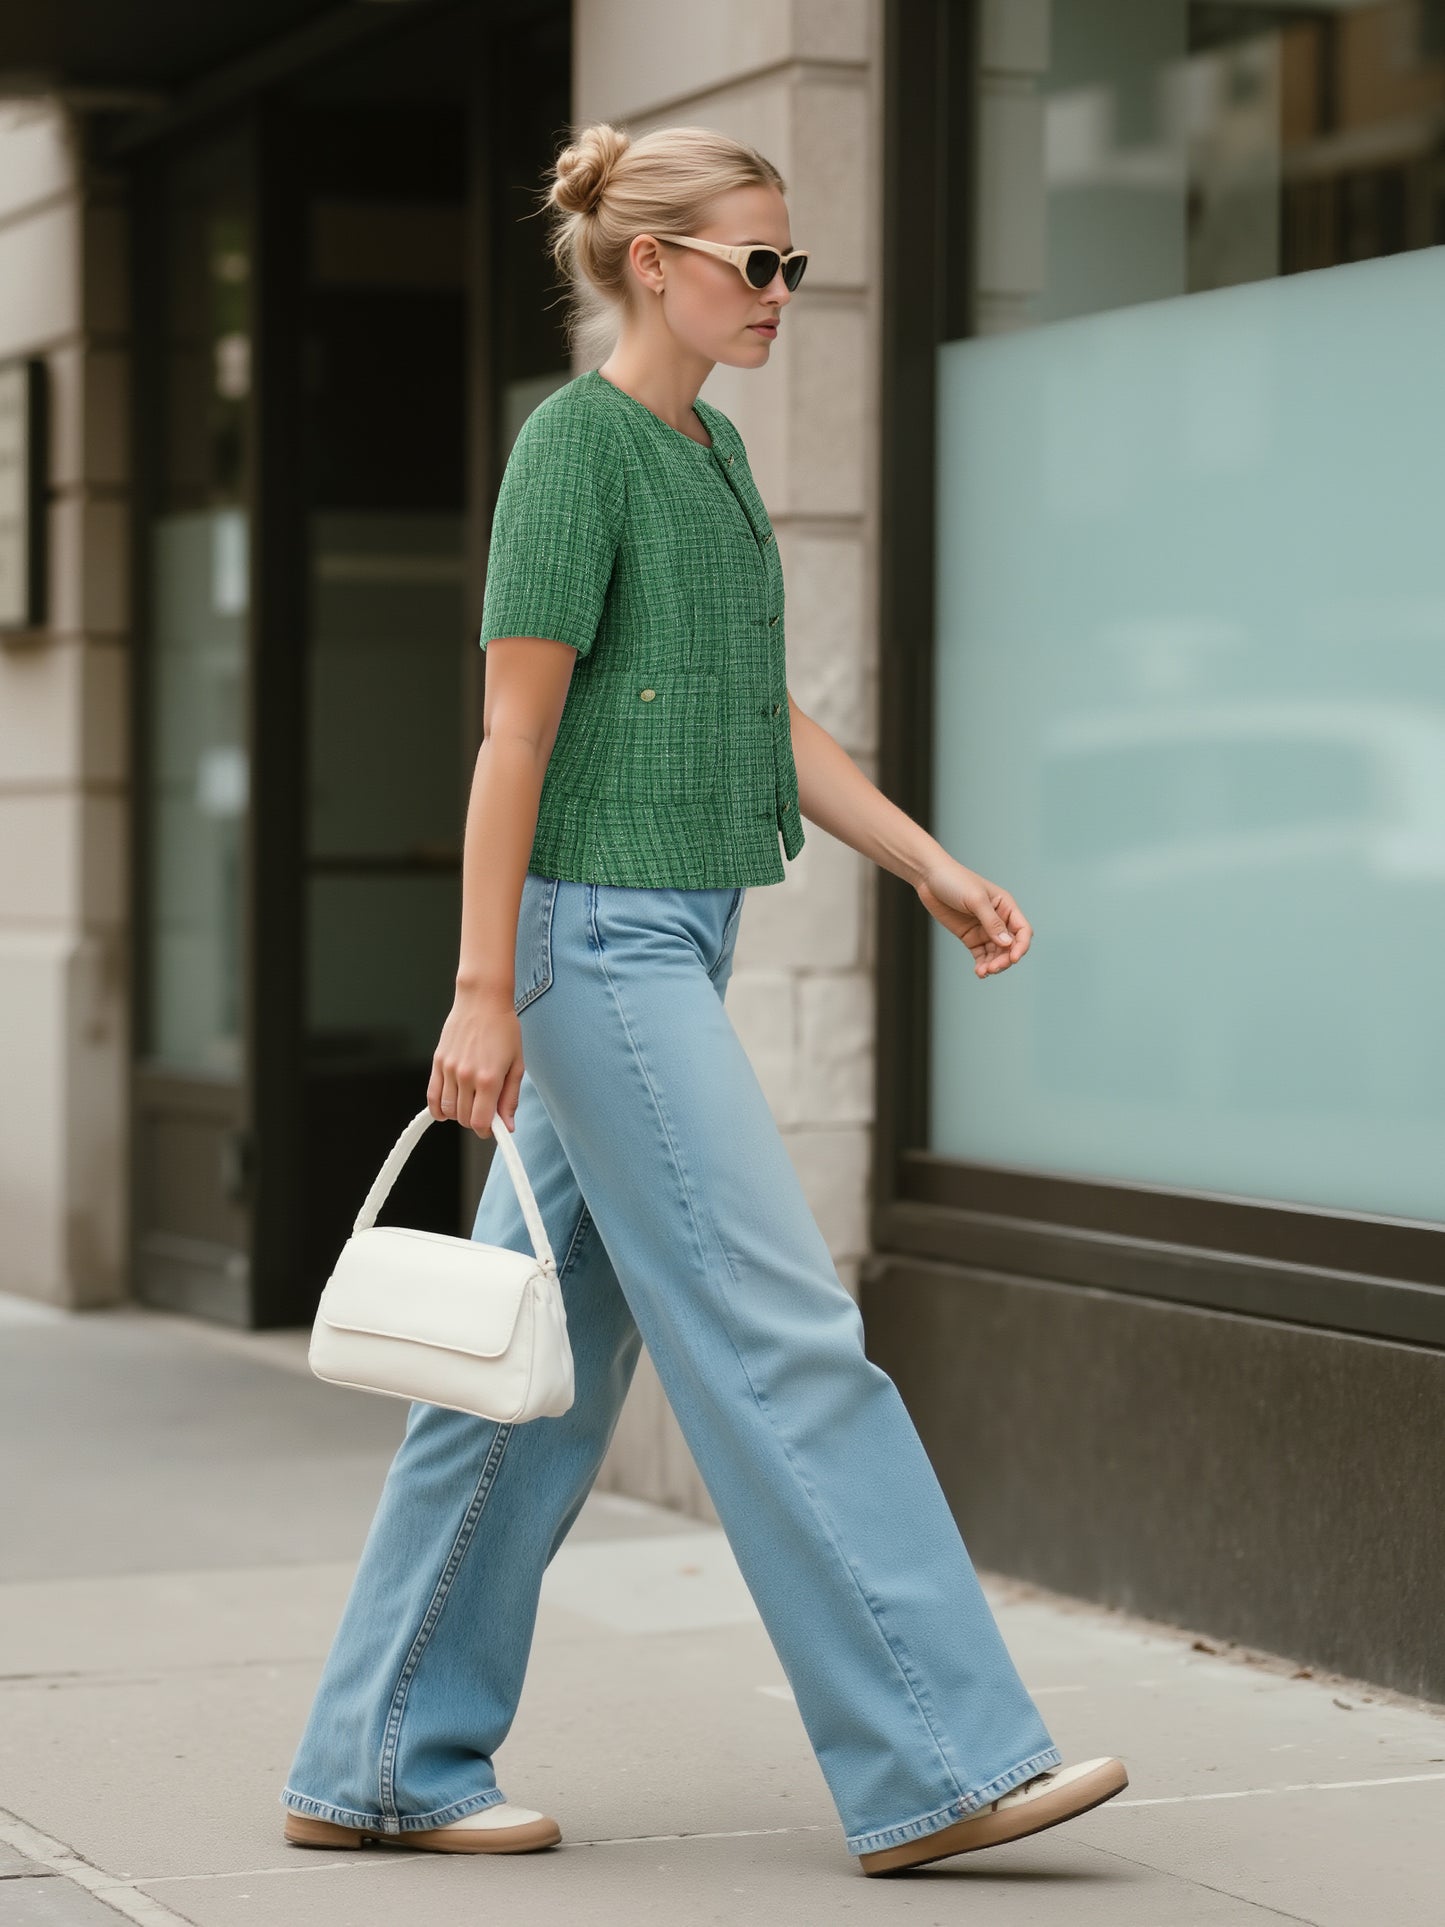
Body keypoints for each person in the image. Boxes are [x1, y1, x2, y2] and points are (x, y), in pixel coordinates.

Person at [278, 118, 1128, 1879]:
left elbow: (760, 718)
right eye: (758, 262)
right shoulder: (572, 452)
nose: (781, 295)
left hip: (668, 945)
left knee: (538, 1378)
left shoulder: (713, 461)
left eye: (793, 264)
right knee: (780, 1330)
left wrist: (920, 858)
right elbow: (512, 739)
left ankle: (379, 1758)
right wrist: (480, 990)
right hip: (593, 954)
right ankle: (941, 1753)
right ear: (650, 260)